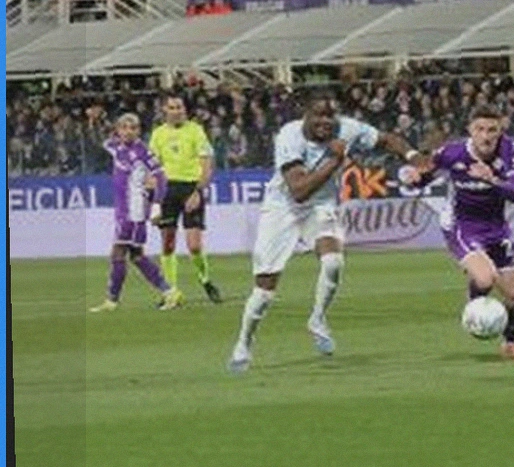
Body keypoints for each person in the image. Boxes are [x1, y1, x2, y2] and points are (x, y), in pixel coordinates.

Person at [227, 95, 416, 374]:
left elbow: (387, 140)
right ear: (305, 115)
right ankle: (244, 342)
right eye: (319, 115)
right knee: (265, 288)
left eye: (330, 115)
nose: (326, 122)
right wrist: (335, 159)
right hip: (283, 208)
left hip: (322, 206)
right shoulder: (289, 136)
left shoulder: (348, 129)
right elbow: (299, 191)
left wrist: (413, 157)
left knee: (333, 262)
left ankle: (317, 319)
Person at [400, 104, 514, 361]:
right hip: (461, 224)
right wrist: (414, 178)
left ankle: (511, 344)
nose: (486, 136)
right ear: (470, 130)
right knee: (485, 279)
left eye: (492, 130)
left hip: (496, 227)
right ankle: (474, 310)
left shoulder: (511, 150)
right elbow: (425, 175)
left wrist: (492, 179)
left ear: (501, 131)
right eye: (480, 129)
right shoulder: (451, 153)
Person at [90, 113, 184, 312]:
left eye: (133, 128)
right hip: (123, 210)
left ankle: (112, 301)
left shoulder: (143, 152)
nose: (128, 131)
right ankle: (169, 292)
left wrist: (157, 205)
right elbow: (99, 141)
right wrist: (94, 121)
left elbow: (161, 178)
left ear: (139, 131)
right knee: (137, 256)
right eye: (124, 127)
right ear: (118, 130)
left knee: (118, 252)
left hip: (134, 211)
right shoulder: (117, 147)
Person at [148, 95, 221, 304]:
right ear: (165, 110)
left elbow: (207, 165)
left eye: (179, 107)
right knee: (167, 243)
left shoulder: (196, 131)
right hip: (167, 190)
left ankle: (205, 280)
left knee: (194, 245)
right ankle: (171, 292)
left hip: (190, 188)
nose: (176, 111)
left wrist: (197, 191)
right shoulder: (158, 134)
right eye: (172, 107)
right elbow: (152, 167)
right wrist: (153, 200)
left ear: (184, 109)